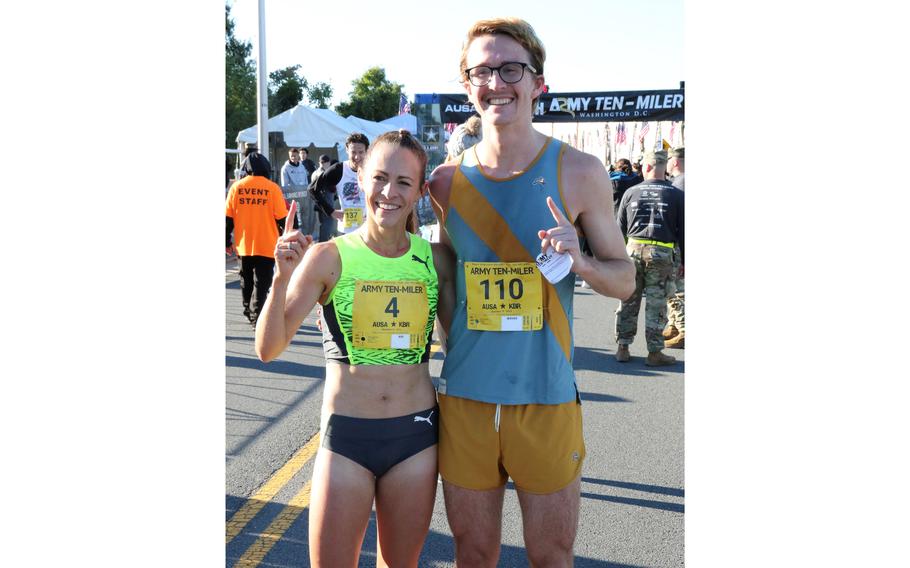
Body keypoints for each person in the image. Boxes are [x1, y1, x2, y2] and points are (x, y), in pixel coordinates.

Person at [427, 18, 635, 567]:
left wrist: (581, 259)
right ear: (468, 85)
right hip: (467, 396)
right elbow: (445, 276)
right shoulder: (445, 183)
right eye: (482, 71)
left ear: (538, 82)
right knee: (473, 552)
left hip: (545, 397)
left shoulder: (581, 171)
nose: (497, 81)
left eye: (511, 68)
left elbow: (625, 280)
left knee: (551, 554)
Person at [255, 130, 455, 567]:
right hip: (346, 437)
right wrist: (280, 279)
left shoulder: (436, 261)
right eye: (380, 177)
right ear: (360, 176)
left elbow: (459, 344)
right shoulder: (329, 257)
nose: (389, 192)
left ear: (421, 191)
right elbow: (268, 349)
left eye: (404, 182)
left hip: (416, 438)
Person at [614, 150, 685, 365]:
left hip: (632, 250)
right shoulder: (677, 194)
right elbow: (684, 231)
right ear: (665, 168)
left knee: (628, 299)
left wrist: (615, 259)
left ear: (646, 167)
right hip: (662, 254)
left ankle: (622, 347)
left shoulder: (631, 192)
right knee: (657, 304)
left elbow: (619, 229)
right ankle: (654, 353)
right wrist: (685, 262)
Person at [225, 152, 291, 326]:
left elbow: (228, 219)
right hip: (267, 244)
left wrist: (225, 241)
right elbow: (282, 218)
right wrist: (288, 239)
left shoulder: (236, 188)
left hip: (243, 244)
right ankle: (257, 316)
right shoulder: (272, 188)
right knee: (262, 282)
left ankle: (248, 309)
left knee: (245, 279)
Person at [310, 133, 370, 237]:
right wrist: (331, 211)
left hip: (369, 228)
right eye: (353, 152)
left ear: (367, 151)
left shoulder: (373, 169)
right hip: (346, 231)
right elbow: (312, 189)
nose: (357, 156)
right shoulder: (338, 169)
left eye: (361, 152)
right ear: (347, 150)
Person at [664, 147, 685, 347]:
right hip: (679, 243)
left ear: (676, 162)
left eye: (669, 158)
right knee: (673, 287)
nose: (667, 162)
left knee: (677, 288)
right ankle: (674, 325)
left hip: (679, 244)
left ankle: (683, 329)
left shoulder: (679, 184)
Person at [280, 148, 319, 237]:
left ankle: (304, 236)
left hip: (303, 196)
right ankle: (293, 236)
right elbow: (285, 186)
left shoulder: (302, 166)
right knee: (295, 217)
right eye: (291, 156)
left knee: (305, 217)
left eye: (295, 156)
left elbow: (305, 181)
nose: (293, 158)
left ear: (298, 156)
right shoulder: (285, 168)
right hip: (293, 196)